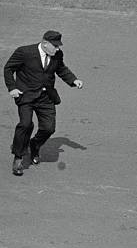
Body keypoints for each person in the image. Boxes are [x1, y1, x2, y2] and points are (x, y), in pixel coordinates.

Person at [4, 30, 84, 176]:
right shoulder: (24, 52)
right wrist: (12, 88)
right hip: (25, 95)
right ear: (45, 44)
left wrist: (73, 80)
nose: (58, 49)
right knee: (26, 124)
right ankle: (18, 157)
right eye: (55, 46)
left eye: (59, 46)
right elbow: (8, 69)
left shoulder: (57, 55)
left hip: (46, 97)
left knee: (49, 128)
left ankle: (34, 144)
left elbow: (61, 69)